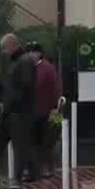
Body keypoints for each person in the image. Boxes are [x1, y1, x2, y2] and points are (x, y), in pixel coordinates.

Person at [0, 33, 38, 189]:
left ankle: (17, 178)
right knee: (22, 144)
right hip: (19, 109)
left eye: (5, 48)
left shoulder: (24, 62)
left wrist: (11, 104)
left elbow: (24, 87)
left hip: (21, 110)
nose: (4, 51)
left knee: (20, 144)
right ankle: (32, 172)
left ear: (12, 45)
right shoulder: (20, 61)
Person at [27, 42, 62, 178]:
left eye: (33, 51)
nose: (30, 54)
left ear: (39, 53)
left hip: (50, 111)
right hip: (31, 112)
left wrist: (56, 108)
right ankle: (34, 170)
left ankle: (50, 168)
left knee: (50, 140)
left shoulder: (49, 68)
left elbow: (56, 88)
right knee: (32, 141)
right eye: (28, 52)